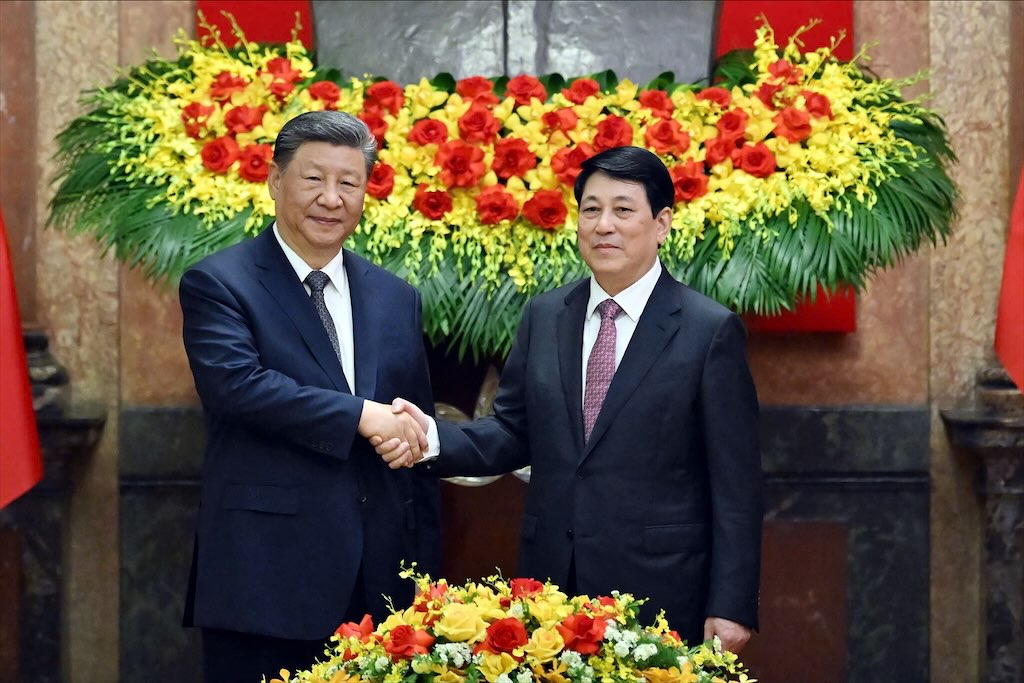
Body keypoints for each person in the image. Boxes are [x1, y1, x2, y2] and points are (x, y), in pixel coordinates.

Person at [378, 146, 762, 652]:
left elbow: (737, 484)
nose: (604, 225)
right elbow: (512, 432)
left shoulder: (707, 330)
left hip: (662, 587)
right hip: (551, 588)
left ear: (662, 222)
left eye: (623, 210)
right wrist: (427, 437)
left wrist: (731, 604)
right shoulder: (546, 314)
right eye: (591, 209)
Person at [179, 110, 440, 682]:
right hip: (265, 577)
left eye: (349, 182)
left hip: (380, 585)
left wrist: (424, 575)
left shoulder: (396, 297)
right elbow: (236, 386)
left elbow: (410, 427)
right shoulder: (221, 282)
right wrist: (361, 416)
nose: (331, 198)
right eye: (313, 179)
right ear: (275, 182)